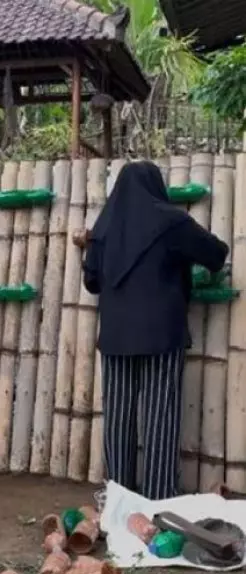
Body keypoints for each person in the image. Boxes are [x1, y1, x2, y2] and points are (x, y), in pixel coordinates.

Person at [83, 160, 228, 500]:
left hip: (117, 337)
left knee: (118, 415)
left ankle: (118, 494)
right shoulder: (171, 221)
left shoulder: (103, 228)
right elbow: (216, 254)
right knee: (160, 414)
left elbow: (91, 282)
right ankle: (159, 495)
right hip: (162, 335)